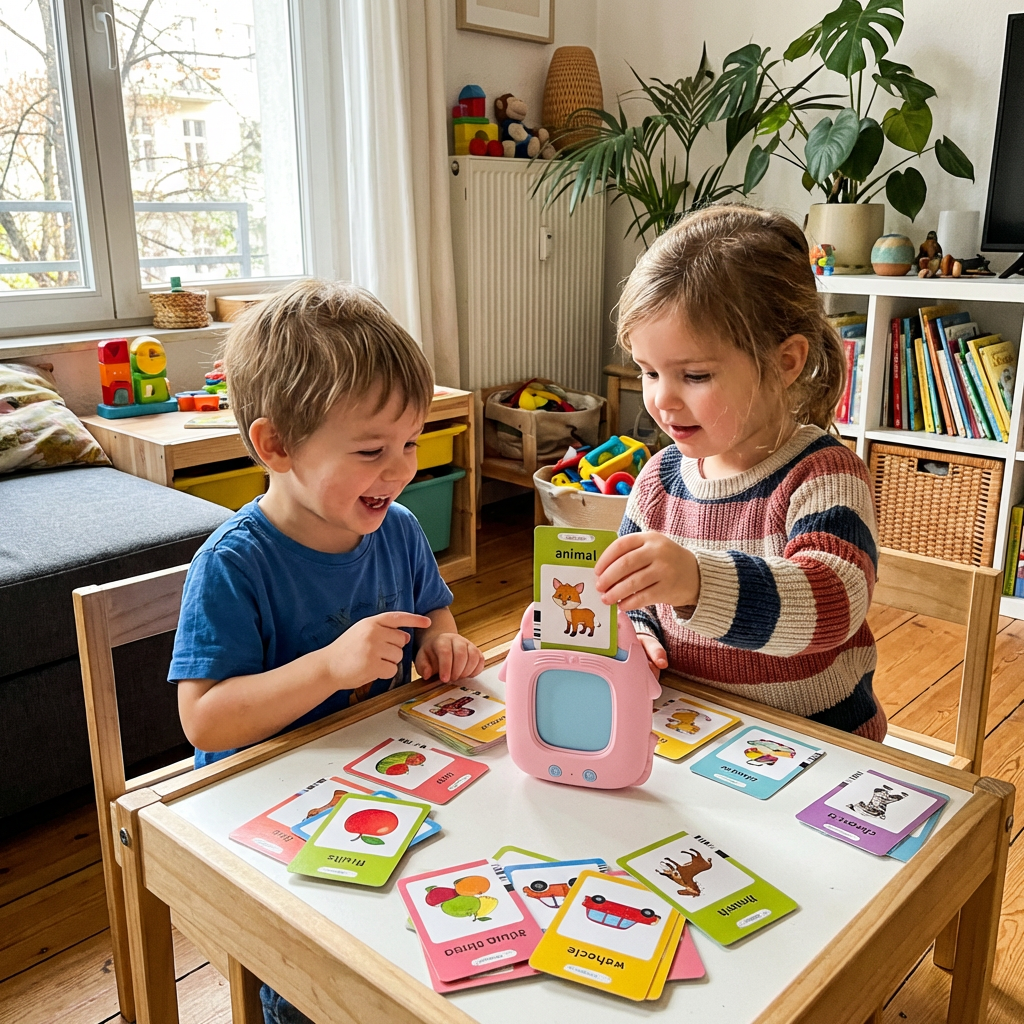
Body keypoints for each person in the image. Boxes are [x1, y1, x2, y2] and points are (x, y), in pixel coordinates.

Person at [169, 280, 484, 1024]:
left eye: (410, 443)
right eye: (372, 450)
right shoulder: (235, 563)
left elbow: (433, 612)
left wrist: (443, 641)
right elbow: (204, 721)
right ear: (276, 445)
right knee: (313, 981)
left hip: (374, 777)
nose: (400, 470)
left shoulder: (398, 528)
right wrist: (330, 667)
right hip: (263, 808)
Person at [594, 205, 883, 741]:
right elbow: (634, 600)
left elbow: (835, 604)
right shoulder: (658, 481)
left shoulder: (824, 474)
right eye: (649, 371)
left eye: (695, 375)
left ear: (786, 361)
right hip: (692, 733)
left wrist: (698, 581)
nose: (661, 399)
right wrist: (638, 632)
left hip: (817, 742)